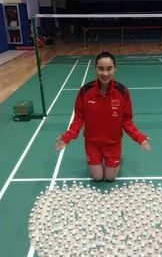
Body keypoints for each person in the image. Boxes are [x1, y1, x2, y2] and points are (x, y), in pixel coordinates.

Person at [55, 52, 151, 181]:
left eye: (109, 68)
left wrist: (138, 137)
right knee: (98, 177)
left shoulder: (122, 91)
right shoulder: (85, 91)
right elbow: (79, 118)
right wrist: (67, 136)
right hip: (92, 143)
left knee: (110, 178)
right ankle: (98, 160)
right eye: (101, 69)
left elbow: (126, 120)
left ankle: (113, 159)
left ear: (115, 68)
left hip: (113, 144)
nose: (105, 73)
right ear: (95, 68)